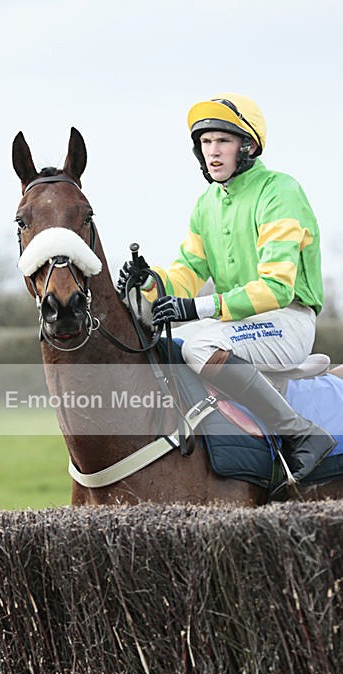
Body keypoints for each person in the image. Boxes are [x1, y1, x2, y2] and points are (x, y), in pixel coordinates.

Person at [117, 92, 335, 483]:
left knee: (199, 344)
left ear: (247, 147)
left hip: (287, 320)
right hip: (238, 324)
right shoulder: (206, 203)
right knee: (168, 340)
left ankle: (300, 432)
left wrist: (196, 308)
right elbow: (187, 271)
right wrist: (150, 282)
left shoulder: (280, 191)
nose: (212, 152)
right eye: (205, 143)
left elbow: (276, 288)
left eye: (223, 141)